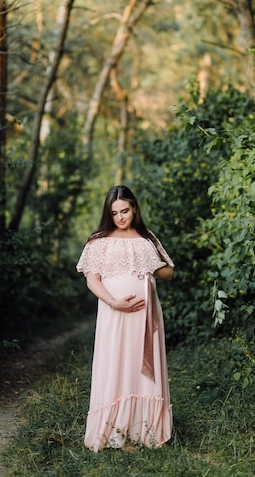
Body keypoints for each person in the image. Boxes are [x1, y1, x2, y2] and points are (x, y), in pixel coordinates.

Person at [76, 185, 174, 452]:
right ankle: (115, 431)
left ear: (134, 208)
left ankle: (145, 431)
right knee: (117, 365)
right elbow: (92, 280)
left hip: (145, 314)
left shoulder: (147, 238)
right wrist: (114, 302)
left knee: (142, 369)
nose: (120, 217)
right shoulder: (99, 240)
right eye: (115, 212)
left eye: (125, 211)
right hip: (115, 314)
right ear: (109, 213)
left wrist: (153, 265)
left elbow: (168, 273)